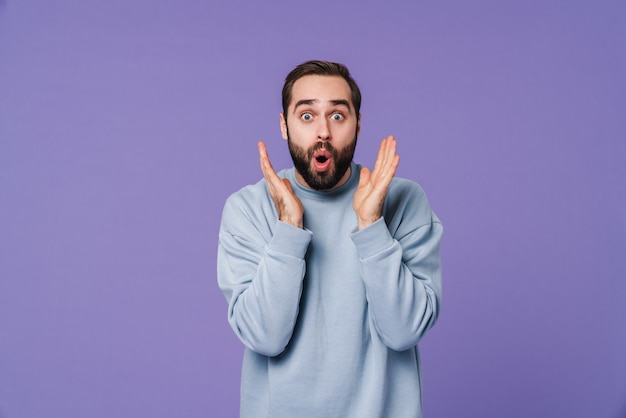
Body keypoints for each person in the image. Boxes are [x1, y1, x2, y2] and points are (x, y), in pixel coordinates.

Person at [217, 60, 443, 418]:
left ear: (358, 123)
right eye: (307, 116)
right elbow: (265, 338)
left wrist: (371, 227)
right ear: (284, 125)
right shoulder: (248, 209)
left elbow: (405, 331)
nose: (323, 131)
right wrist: (289, 228)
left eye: (338, 116)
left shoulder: (404, 201)